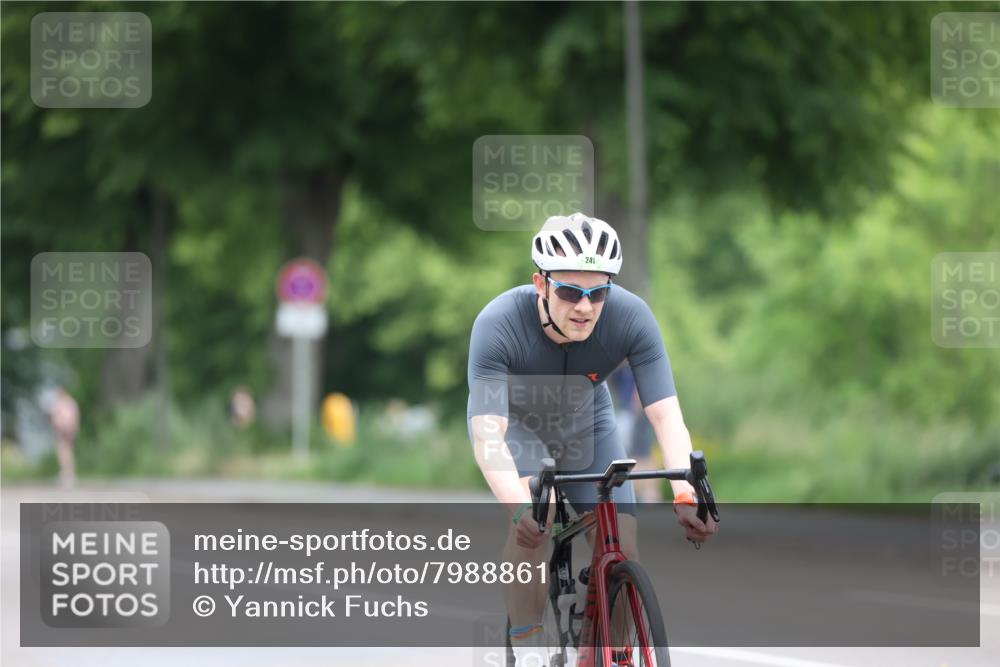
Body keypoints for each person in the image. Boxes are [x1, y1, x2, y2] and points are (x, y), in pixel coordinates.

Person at [467, 213, 717, 667]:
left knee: (622, 541)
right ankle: (527, 649)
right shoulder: (498, 322)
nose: (584, 307)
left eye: (597, 293)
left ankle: (613, 653)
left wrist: (685, 491)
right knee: (534, 528)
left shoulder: (632, 317)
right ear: (540, 285)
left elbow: (665, 414)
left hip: (589, 422)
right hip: (520, 425)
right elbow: (488, 430)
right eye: (568, 292)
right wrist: (519, 506)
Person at [609, 363, 662, 503]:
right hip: (631, 413)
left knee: (642, 456)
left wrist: (636, 411)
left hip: (639, 414)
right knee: (636, 455)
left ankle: (650, 497)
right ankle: (646, 496)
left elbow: (642, 387)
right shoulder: (623, 368)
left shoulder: (638, 362)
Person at [49, 386, 80, 489]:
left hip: (64, 431)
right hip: (67, 431)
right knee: (67, 453)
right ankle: (68, 475)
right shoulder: (71, 403)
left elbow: (61, 418)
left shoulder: (63, 404)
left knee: (64, 453)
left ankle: (67, 475)